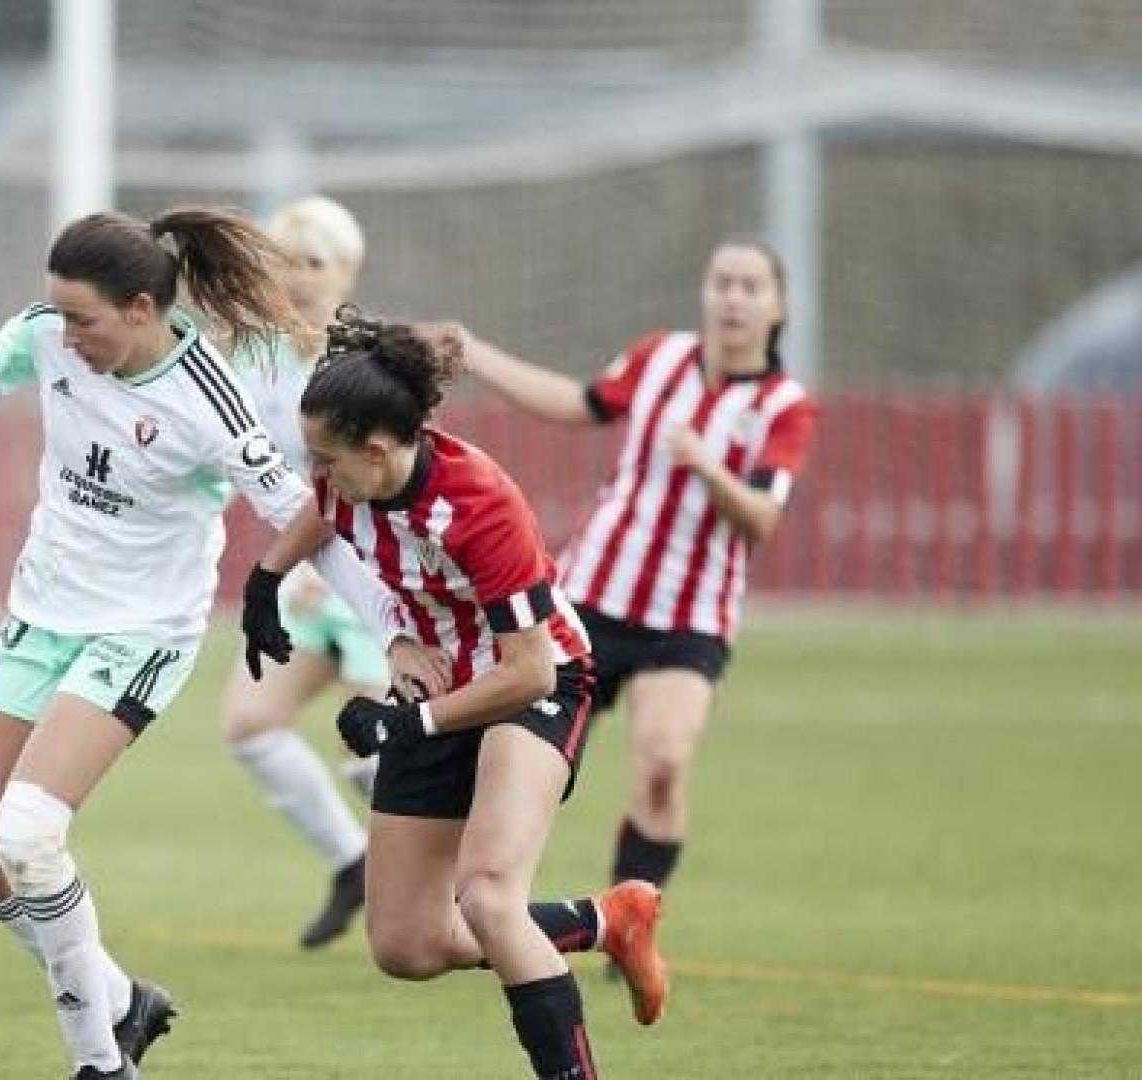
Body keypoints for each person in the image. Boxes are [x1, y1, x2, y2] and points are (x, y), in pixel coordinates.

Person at [0, 208, 411, 1080]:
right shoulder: (48, 341)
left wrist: (399, 634)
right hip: (41, 617)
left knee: (28, 834)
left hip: (141, 633)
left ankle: (101, 1064)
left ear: (142, 309)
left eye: (82, 319)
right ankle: (120, 998)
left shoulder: (210, 400)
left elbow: (304, 517)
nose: (64, 336)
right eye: (57, 315)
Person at [243, 310, 667, 1079]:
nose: (318, 473)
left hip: (533, 684)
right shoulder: (352, 476)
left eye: (326, 459)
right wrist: (266, 579)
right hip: (440, 683)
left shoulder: (477, 506)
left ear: (377, 449)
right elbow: (324, 510)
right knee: (406, 945)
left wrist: (409, 722)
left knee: (490, 897)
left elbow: (531, 670)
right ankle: (609, 922)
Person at [445, 236, 818, 923]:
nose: (732, 298)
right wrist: (475, 353)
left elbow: (762, 518)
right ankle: (469, 890)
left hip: (690, 616)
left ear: (779, 306)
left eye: (750, 287)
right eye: (722, 282)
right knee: (512, 742)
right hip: (592, 596)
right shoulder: (661, 357)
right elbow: (578, 402)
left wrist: (707, 466)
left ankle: (627, 919)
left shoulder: (783, 405)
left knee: (663, 762)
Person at [219, 196, 389, 949]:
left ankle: (470, 894)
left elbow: (393, 479)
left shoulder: (370, 361)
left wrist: (340, 556)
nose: (298, 278)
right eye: (285, 262)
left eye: (314, 263)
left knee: (387, 751)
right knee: (251, 726)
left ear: (348, 272)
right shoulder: (253, 359)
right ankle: (353, 862)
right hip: (297, 578)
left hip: (373, 580)